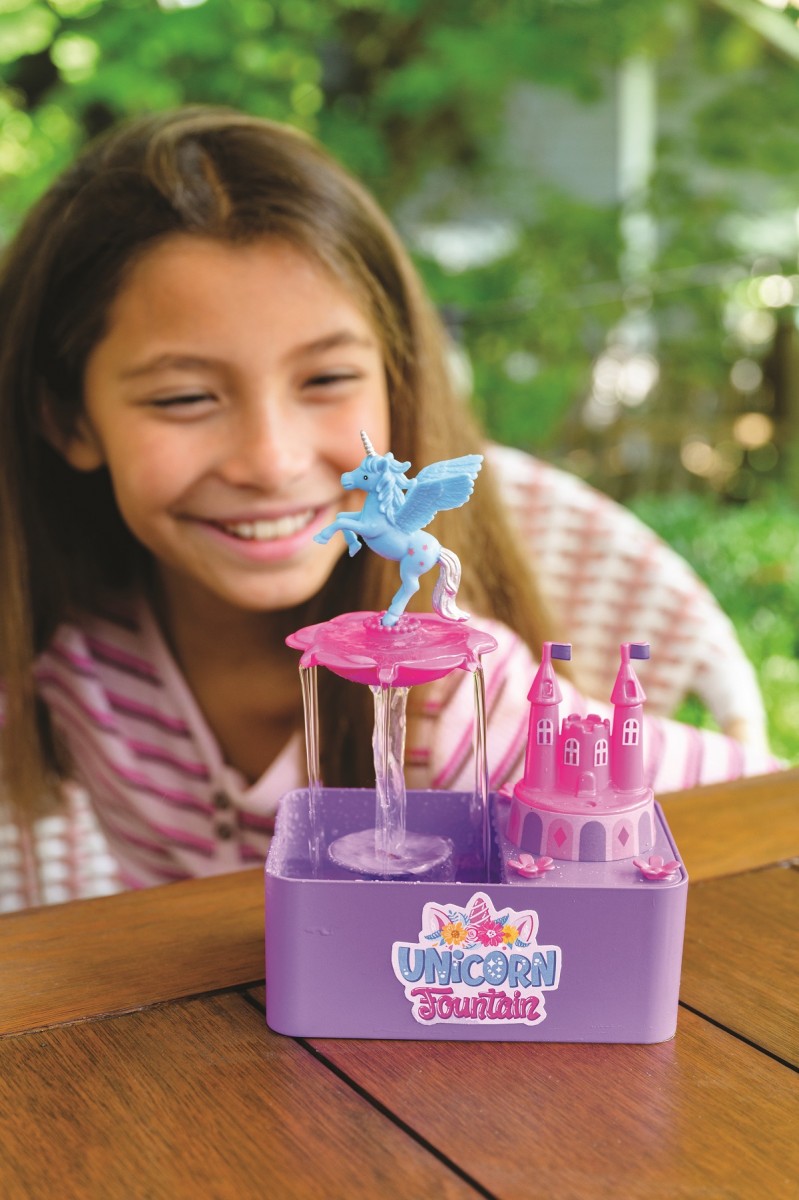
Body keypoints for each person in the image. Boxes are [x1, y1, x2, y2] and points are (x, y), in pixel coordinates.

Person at [0, 107, 780, 910]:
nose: (271, 460)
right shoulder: (71, 654)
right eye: (184, 397)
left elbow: (769, 815)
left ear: (395, 382)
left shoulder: (457, 706)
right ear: (69, 419)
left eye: (326, 379)